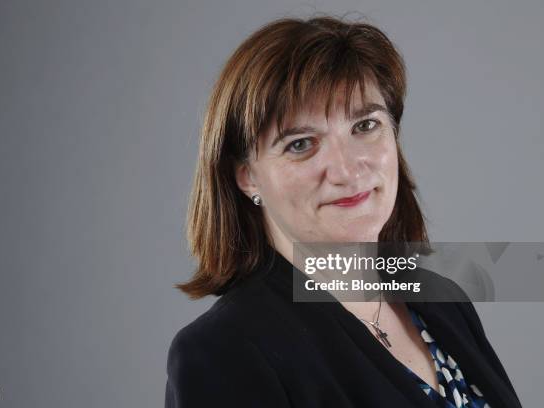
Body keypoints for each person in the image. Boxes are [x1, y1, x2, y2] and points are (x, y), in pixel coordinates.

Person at [165, 16, 521, 407]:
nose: (348, 169)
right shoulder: (225, 354)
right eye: (301, 144)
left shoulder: (442, 300)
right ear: (248, 177)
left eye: (365, 125)